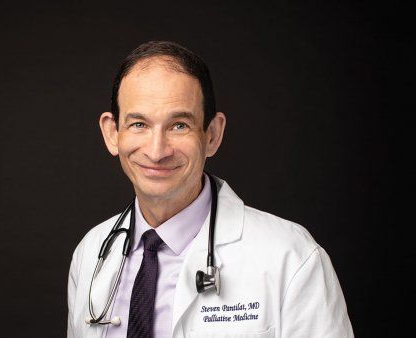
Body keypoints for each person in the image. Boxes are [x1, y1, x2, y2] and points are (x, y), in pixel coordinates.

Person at [67, 41, 353, 338]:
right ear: (112, 134)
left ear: (212, 135)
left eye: (179, 125)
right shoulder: (91, 253)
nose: (157, 151)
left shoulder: (292, 257)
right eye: (139, 124)